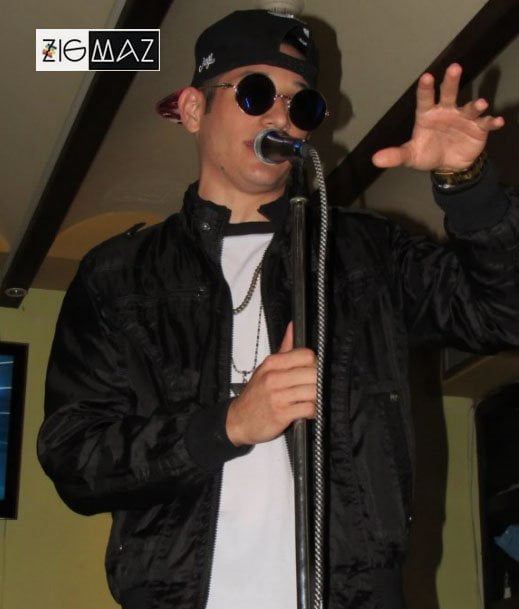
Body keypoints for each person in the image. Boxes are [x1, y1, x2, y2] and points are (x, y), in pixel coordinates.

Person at [37, 9, 519, 609]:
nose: (280, 117)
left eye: (302, 104)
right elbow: (75, 457)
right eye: (256, 93)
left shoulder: (363, 252)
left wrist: (469, 189)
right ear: (193, 109)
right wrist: (229, 425)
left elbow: (502, 315)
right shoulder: (118, 274)